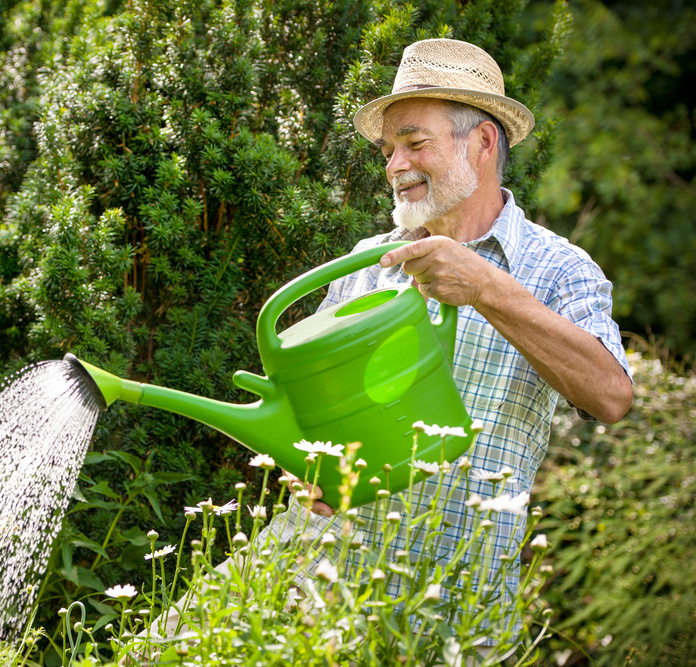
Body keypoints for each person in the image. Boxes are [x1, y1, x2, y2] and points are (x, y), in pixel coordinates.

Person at [144, 37, 633, 656]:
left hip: (455, 601)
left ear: (482, 144)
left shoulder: (558, 269)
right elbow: (309, 422)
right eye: (388, 149)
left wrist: (487, 287)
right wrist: (303, 467)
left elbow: (612, 395)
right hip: (316, 580)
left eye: (414, 142)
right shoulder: (366, 265)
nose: (395, 164)